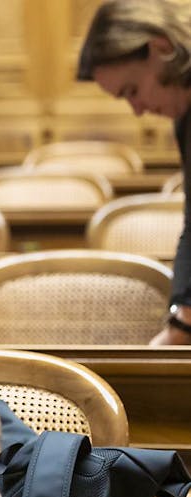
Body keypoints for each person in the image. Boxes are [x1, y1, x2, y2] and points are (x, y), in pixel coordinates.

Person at [76, 0, 191, 345]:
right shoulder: (185, 118)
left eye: (132, 91)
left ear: (162, 48)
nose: (138, 111)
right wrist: (182, 315)